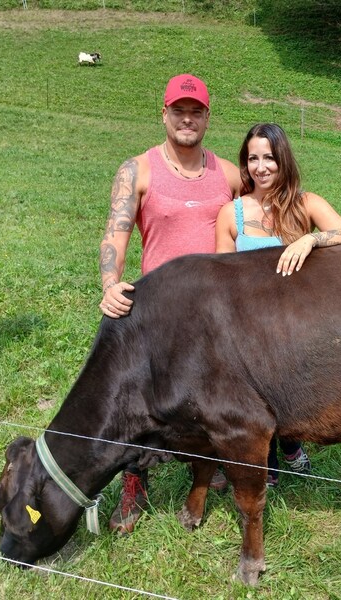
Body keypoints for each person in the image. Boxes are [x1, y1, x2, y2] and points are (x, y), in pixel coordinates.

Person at [99, 73, 242, 534]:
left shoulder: (229, 175)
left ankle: (208, 464)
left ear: (206, 118)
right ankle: (134, 480)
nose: (187, 118)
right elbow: (116, 233)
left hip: (213, 312)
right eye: (178, 110)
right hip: (155, 308)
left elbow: (261, 220)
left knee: (210, 394)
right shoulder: (137, 169)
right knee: (139, 401)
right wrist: (109, 283)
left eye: (195, 111)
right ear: (164, 114)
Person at [215, 122, 341, 485]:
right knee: (257, 394)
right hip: (249, 324)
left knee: (291, 390)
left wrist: (310, 239)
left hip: (297, 324)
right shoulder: (230, 213)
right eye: (252, 159)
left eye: (269, 157)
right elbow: (220, 273)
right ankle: (268, 458)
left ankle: (292, 444)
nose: (260, 167)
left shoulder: (305, 204)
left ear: (283, 160)